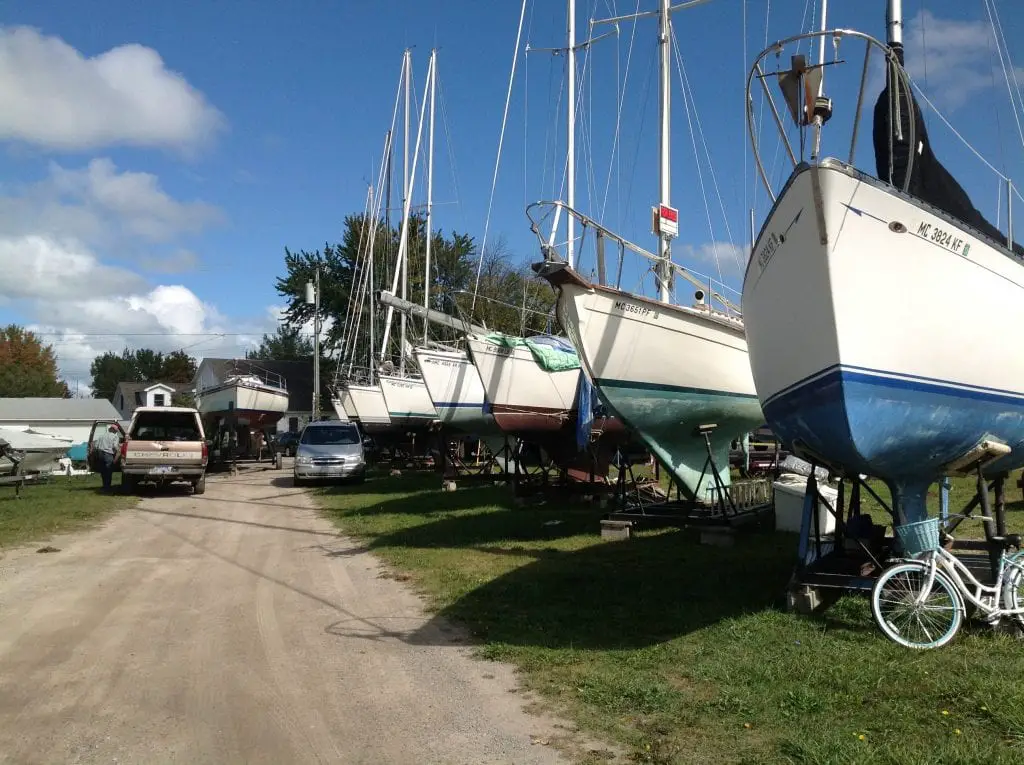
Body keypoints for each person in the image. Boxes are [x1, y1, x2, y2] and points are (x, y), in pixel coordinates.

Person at [92, 424, 122, 491]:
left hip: (100, 454)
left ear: (110, 429)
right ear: (114, 430)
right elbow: (115, 446)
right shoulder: (115, 436)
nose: (116, 432)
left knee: (103, 471)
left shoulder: (101, 436)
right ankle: (108, 487)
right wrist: (119, 451)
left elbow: (96, 446)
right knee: (108, 471)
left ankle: (104, 486)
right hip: (108, 454)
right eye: (116, 431)